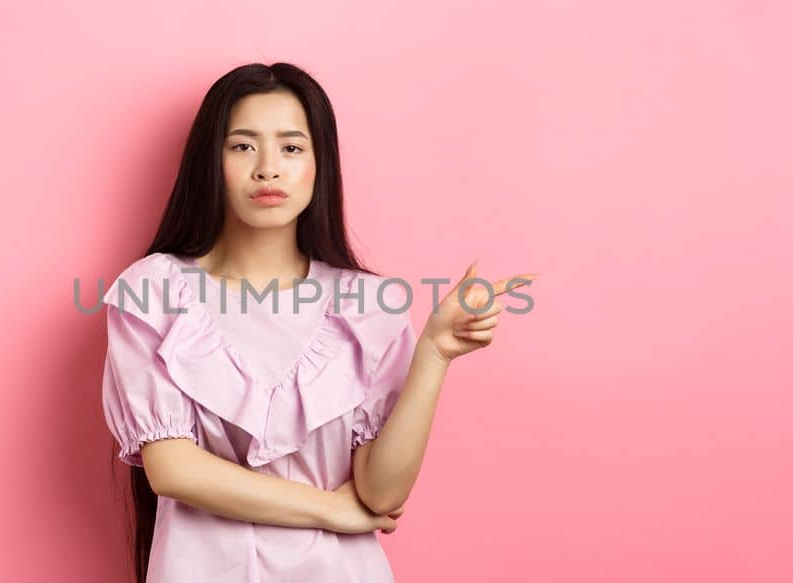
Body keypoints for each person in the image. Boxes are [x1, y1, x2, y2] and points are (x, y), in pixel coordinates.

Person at [99, 62, 536, 583]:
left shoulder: (368, 305)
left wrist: (434, 353)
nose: (268, 168)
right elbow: (173, 470)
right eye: (242, 146)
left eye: (291, 147)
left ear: (319, 164)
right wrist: (329, 510)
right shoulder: (152, 291)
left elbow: (381, 492)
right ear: (208, 163)